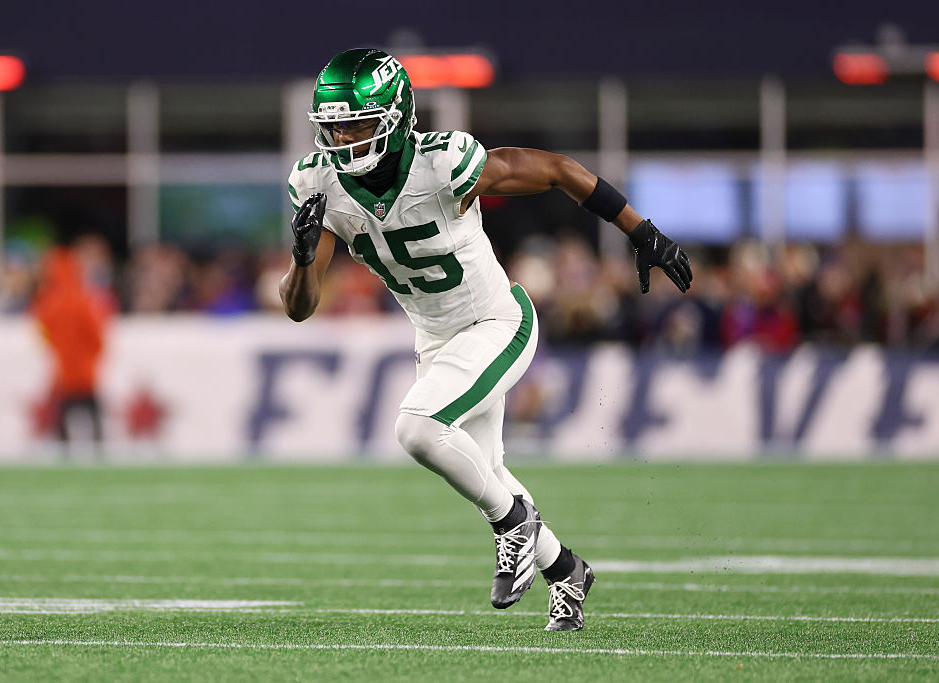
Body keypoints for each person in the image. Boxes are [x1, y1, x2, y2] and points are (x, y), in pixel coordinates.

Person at [279, 48, 692, 631]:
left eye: (358, 122)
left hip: (496, 323)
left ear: (395, 117)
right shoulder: (317, 182)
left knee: (419, 428)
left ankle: (514, 523)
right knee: (485, 472)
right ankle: (566, 569)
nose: (343, 138)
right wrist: (300, 259)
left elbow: (551, 167)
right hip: (436, 338)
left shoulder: (442, 163)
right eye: (334, 125)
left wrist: (639, 228)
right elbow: (300, 307)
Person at [32, 247, 109, 451]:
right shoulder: (84, 299)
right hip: (86, 370)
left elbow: (41, 330)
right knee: (92, 413)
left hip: (64, 370)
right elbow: (97, 336)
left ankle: (63, 450)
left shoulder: (48, 301)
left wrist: (57, 349)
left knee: (63, 415)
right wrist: (93, 356)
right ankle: (98, 448)